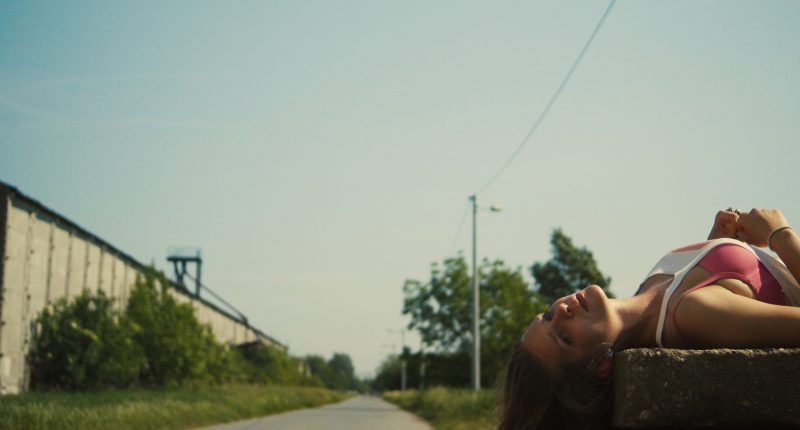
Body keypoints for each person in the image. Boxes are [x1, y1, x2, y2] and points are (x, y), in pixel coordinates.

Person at [497, 208, 800, 430]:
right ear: (601, 364)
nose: (562, 312)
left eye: (548, 316)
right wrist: (779, 234)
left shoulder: (648, 291)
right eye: (564, 337)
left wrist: (720, 244)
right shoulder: (694, 313)